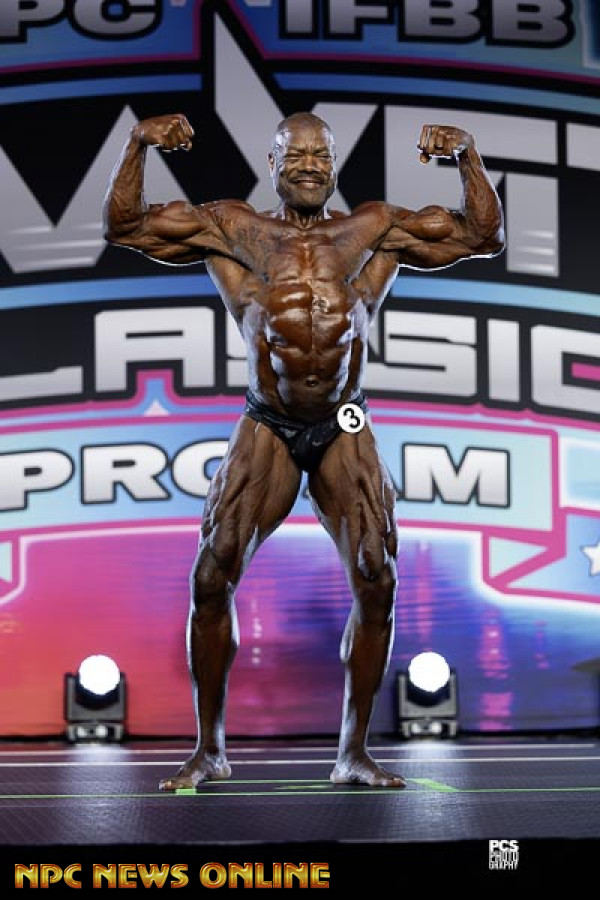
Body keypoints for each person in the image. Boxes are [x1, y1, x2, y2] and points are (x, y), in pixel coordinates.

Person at [103, 111, 504, 789]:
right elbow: (125, 226)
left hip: (343, 421)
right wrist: (138, 143)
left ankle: (353, 752)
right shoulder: (232, 228)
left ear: (335, 164)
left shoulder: (373, 229)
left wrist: (467, 155)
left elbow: (483, 237)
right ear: (273, 163)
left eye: (321, 156)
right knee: (211, 578)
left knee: (377, 577)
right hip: (269, 420)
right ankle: (209, 748)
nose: (310, 167)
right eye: (297, 157)